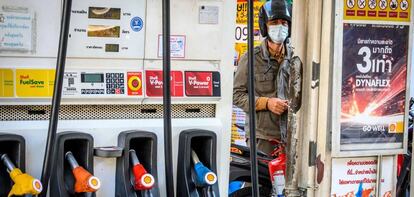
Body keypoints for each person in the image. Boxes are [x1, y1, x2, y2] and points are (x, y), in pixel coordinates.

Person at [233, 0, 302, 154]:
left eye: (284, 22)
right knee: (262, 178)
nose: (280, 26)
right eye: (274, 22)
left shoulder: (295, 58)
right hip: (262, 139)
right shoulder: (250, 58)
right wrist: (266, 103)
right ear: (265, 25)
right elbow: (236, 95)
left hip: (290, 137)